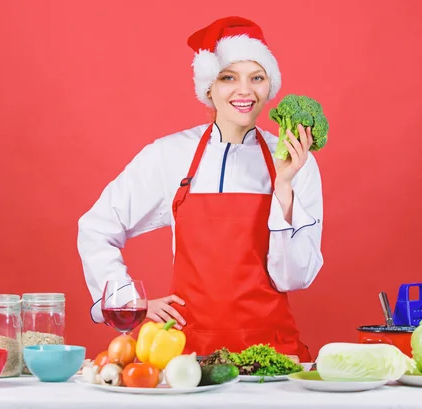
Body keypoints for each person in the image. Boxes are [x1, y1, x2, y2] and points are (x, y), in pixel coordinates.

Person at [77, 16, 324, 362]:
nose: (244, 90)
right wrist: (127, 300)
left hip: (274, 359)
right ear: (209, 87)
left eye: (257, 78)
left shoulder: (296, 162)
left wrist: (283, 186)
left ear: (270, 86)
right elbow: (96, 226)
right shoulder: (169, 154)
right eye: (228, 78)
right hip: (186, 360)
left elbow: (294, 278)